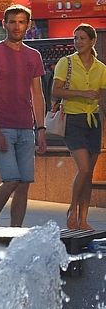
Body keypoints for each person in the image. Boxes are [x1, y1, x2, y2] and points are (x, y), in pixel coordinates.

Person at [0, 4, 47, 228]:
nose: (17, 26)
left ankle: (15, 233)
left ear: (28, 25)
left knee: (24, 184)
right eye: (12, 22)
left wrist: (41, 130)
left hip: (27, 128)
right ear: (4, 24)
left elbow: (37, 94)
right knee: (11, 181)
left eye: (21, 22)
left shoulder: (34, 56)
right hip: (3, 127)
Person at [51, 23, 106, 230]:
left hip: (93, 121)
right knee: (83, 168)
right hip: (73, 120)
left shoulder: (101, 68)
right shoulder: (66, 62)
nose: (78, 42)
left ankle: (83, 219)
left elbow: (103, 98)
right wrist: (82, 94)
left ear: (93, 41)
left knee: (88, 173)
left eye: (82, 38)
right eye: (76, 38)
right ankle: (72, 209)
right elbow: (56, 91)